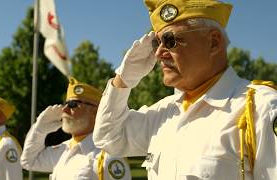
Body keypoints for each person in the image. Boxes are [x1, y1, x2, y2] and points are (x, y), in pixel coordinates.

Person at [93, 0, 277, 180]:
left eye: (170, 40)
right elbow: (108, 137)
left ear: (213, 42)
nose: (158, 53)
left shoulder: (259, 108)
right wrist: (123, 79)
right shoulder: (164, 113)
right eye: (157, 43)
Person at [21, 77, 131, 180]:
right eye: (66, 103)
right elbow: (29, 161)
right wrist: (39, 129)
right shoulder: (64, 150)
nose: (64, 109)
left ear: (95, 112)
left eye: (73, 104)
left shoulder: (108, 156)